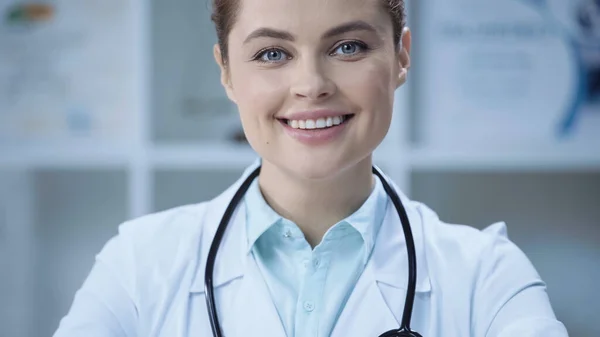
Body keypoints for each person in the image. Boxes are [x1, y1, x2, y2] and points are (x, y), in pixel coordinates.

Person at [53, 0, 569, 336]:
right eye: (273, 53)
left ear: (402, 58)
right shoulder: (138, 267)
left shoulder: (488, 279)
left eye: (349, 47)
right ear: (227, 73)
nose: (311, 84)